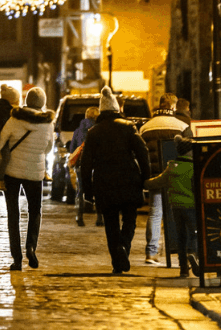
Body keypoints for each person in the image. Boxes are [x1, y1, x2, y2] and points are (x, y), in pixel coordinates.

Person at [80, 86, 151, 275]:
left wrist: (87, 190)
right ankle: (124, 247)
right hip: (129, 180)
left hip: (104, 183)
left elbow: (85, 164)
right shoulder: (129, 128)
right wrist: (146, 179)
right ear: (117, 110)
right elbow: (143, 154)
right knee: (130, 220)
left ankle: (117, 261)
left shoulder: (94, 132)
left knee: (110, 223)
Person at [0, 86, 54, 271]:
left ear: (27, 101)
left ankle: (17, 259)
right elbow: (48, 148)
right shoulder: (48, 123)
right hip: (35, 173)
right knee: (35, 211)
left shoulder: (14, 119)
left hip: (12, 172)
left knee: (13, 214)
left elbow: (2, 141)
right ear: (42, 103)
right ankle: (31, 247)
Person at [139, 93, 188, 264]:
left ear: (160, 105)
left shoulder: (146, 127)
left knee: (155, 212)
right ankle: (182, 251)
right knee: (179, 213)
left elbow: (141, 153)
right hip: (177, 174)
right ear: (173, 107)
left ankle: (151, 252)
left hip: (155, 175)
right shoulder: (182, 125)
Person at [144, 134, 199, 278]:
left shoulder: (171, 167)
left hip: (176, 207)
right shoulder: (194, 168)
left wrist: (143, 183)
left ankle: (183, 269)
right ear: (190, 152)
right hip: (191, 206)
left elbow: (157, 182)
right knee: (195, 233)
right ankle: (192, 253)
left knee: (181, 236)